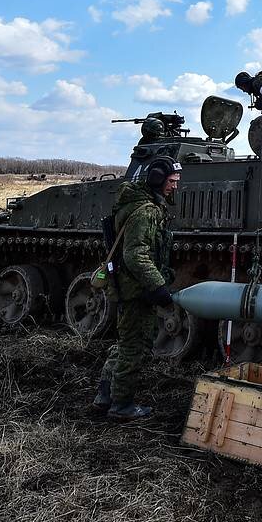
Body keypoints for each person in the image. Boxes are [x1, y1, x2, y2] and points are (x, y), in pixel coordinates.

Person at [91, 154, 182, 420]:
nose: (175, 186)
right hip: (137, 290)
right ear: (157, 179)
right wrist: (158, 287)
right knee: (135, 346)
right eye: (172, 181)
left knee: (123, 343)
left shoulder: (137, 203)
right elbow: (136, 255)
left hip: (129, 286)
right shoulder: (147, 211)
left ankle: (105, 396)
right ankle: (122, 406)